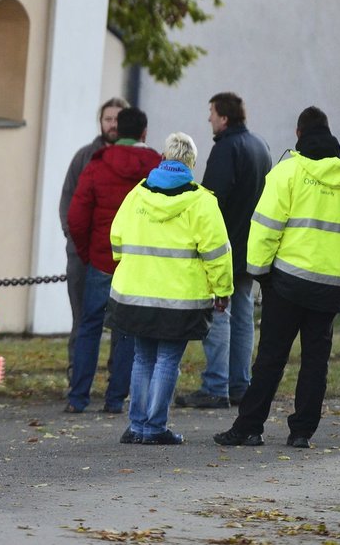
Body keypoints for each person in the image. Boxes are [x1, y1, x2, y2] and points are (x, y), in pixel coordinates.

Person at [215, 107, 340, 449]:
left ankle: (249, 427)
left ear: (299, 135)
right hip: (329, 285)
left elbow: (265, 227)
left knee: (271, 357)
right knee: (316, 361)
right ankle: (302, 432)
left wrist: (259, 272)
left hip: (286, 283)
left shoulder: (289, 172)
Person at [108, 133, 234, 445]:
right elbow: (218, 253)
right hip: (180, 299)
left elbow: (116, 238)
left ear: (163, 158)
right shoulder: (203, 202)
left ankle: (137, 426)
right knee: (166, 361)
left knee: (142, 358)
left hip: (135, 293)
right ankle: (154, 428)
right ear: (192, 163)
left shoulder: (137, 194)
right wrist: (223, 290)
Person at [177, 92, 271, 409]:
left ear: (224, 118)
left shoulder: (225, 149)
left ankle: (216, 385)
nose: (209, 119)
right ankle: (240, 383)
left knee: (219, 314)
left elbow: (210, 202)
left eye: (212, 113)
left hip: (224, 249)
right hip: (252, 248)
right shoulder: (261, 147)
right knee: (243, 317)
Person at [66, 107, 161, 414]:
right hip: (138, 263)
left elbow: (77, 217)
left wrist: (87, 252)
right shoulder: (157, 167)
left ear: (117, 130)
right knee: (127, 330)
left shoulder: (97, 164)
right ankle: (115, 398)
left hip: (102, 258)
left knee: (89, 326)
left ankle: (78, 397)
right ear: (144, 133)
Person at [59, 97, 129, 380]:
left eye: (117, 119)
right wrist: (74, 240)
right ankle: (76, 377)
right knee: (83, 321)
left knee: (122, 323)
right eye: (108, 119)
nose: (112, 124)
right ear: (100, 122)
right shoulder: (85, 157)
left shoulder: (136, 159)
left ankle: (118, 380)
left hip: (123, 256)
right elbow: (67, 202)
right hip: (82, 255)